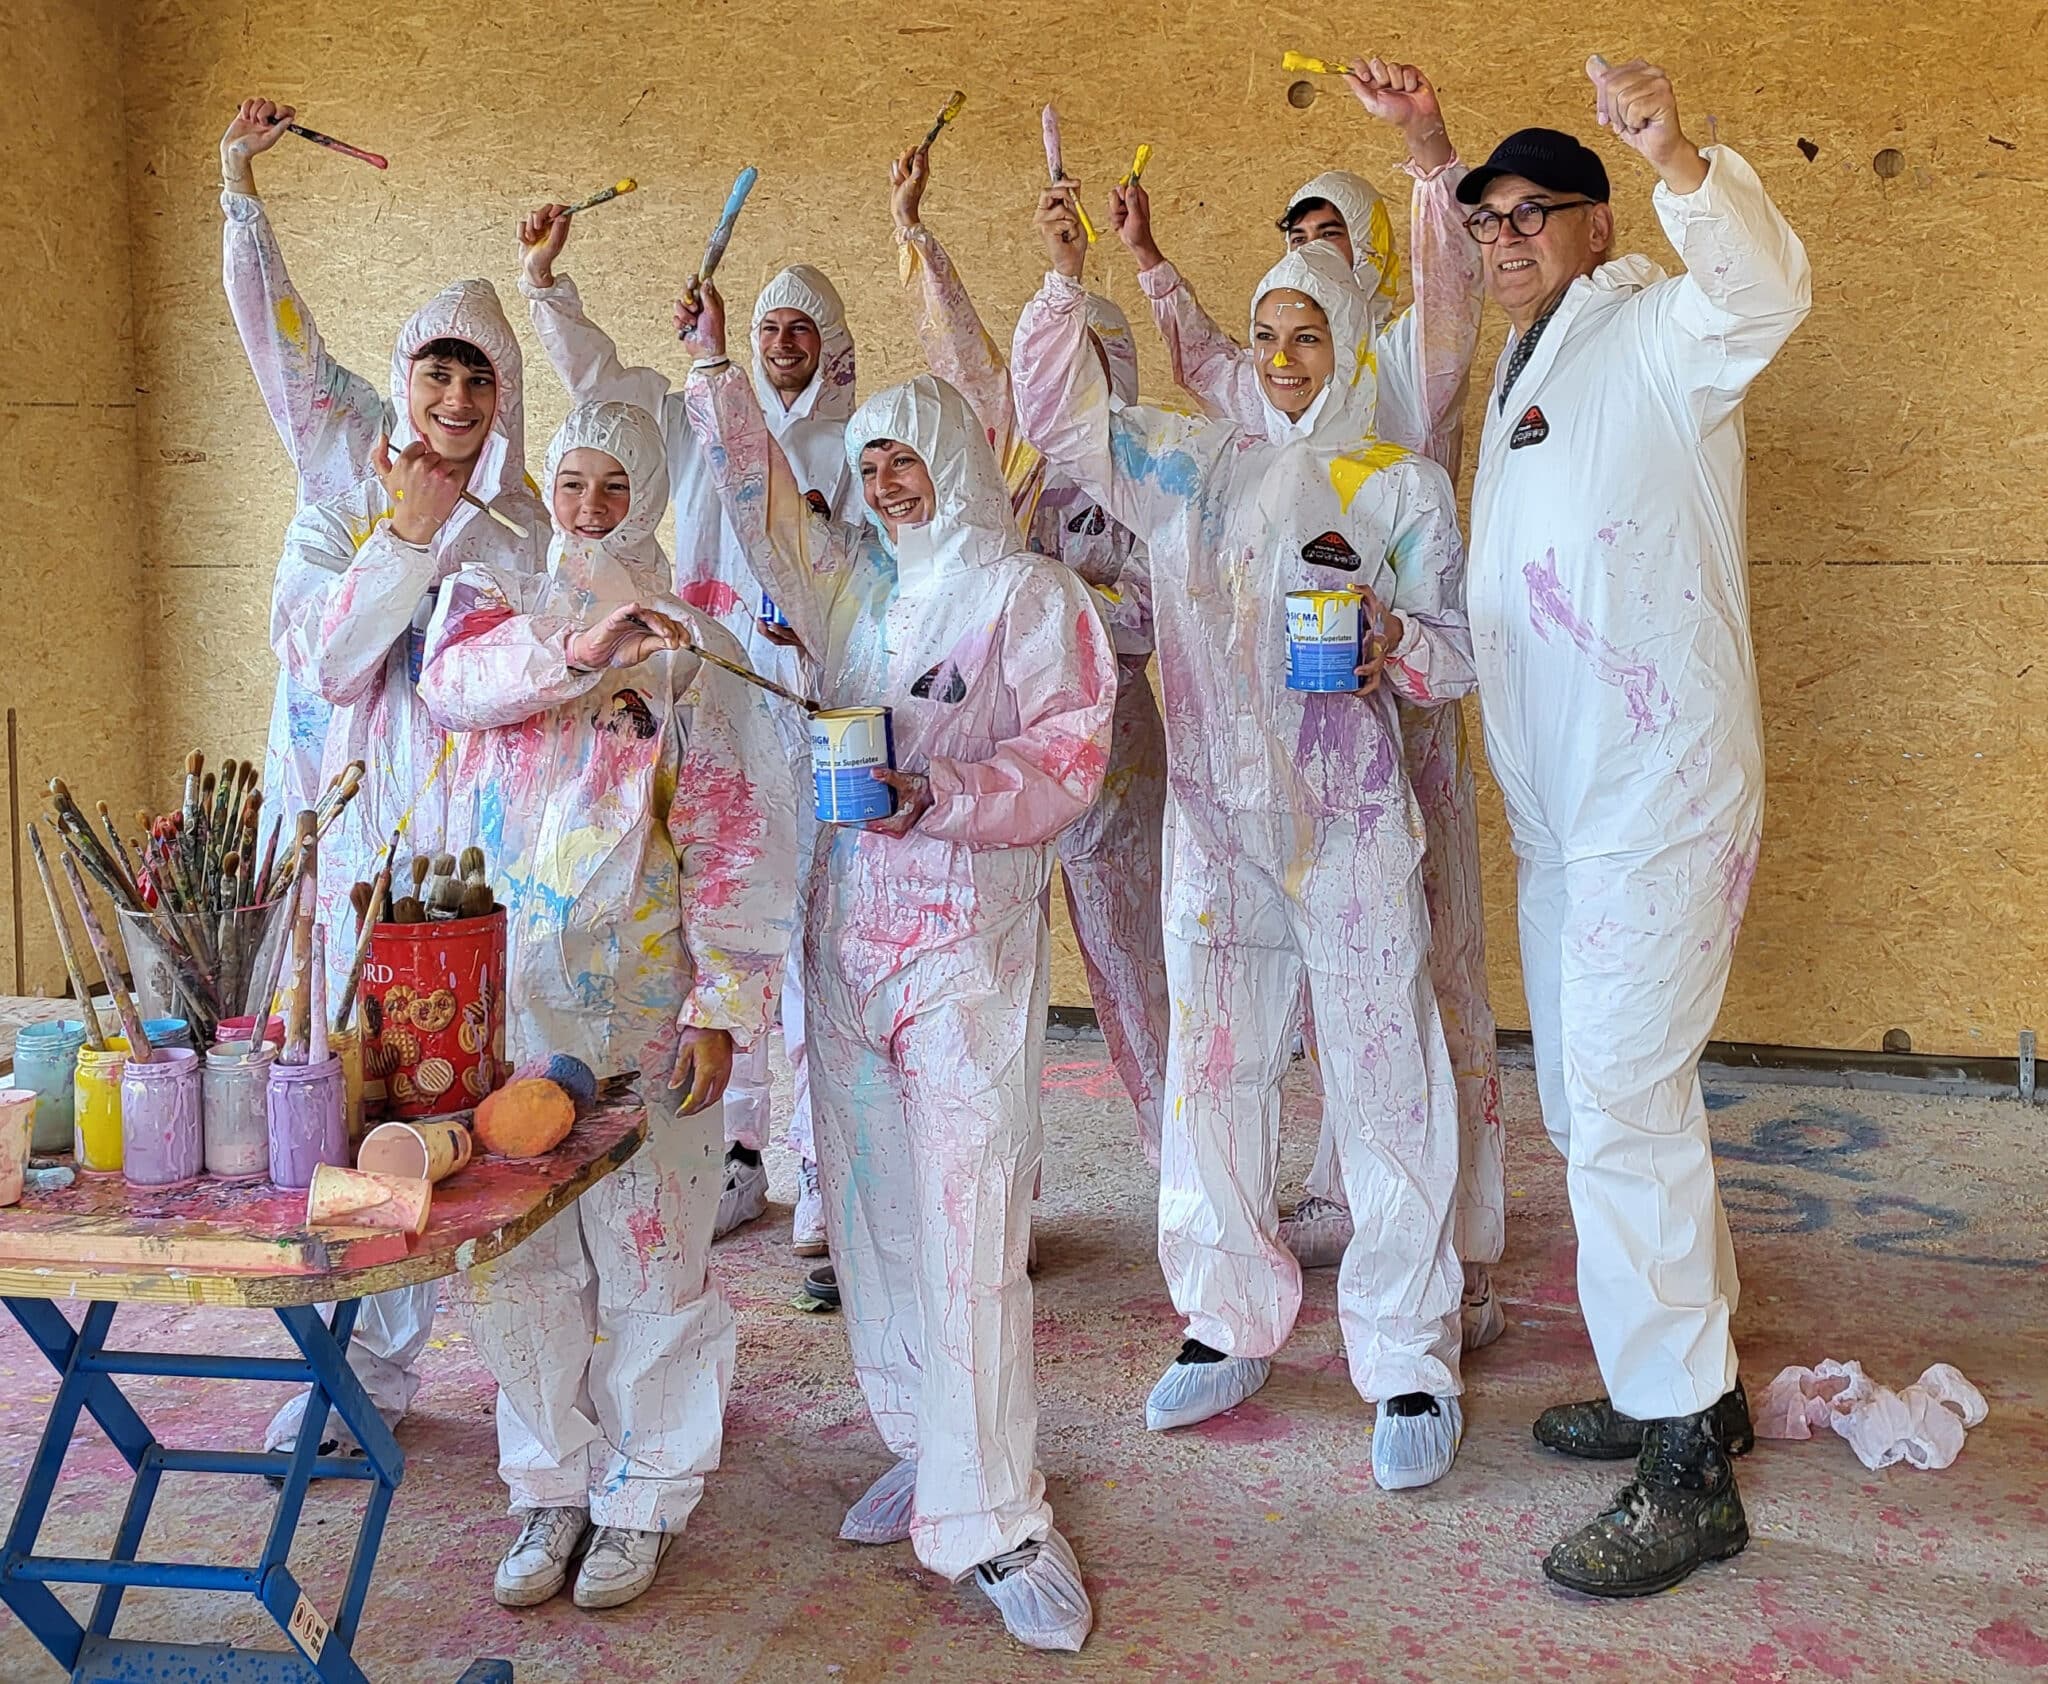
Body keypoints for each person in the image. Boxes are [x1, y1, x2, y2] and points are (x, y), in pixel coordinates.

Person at [1012, 177, 1472, 1490]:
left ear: (1347, 344)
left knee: (1384, 1076)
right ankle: (1224, 1318)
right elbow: (1062, 423)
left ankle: (1407, 1353)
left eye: (1307, 336)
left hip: (1350, 830)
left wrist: (1396, 643)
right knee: (1215, 1076)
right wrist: (1063, 280)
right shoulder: (1191, 468)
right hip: (1217, 833)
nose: (1280, 358)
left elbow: (1458, 651)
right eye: (1265, 335)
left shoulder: (1395, 485)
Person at [682, 281, 1115, 1651]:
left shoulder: (1026, 595)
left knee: (971, 1223)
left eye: (904, 458)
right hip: (844, 950)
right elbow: (766, 512)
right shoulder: (858, 591)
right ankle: (927, 1443)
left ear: (957, 457)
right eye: (869, 466)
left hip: (962, 956)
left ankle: (1000, 1516)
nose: (885, 484)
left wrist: (946, 793)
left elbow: (1071, 755)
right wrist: (713, 368)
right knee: (873, 1224)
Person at [1455, 58, 1810, 1593]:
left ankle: (1687, 1476)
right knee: (1602, 1106)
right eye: (1486, 220)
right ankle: (1696, 1385)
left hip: (1655, 798)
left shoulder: (1661, 327)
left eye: (1533, 212)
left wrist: (1677, 157)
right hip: (1567, 812)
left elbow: (1763, 294)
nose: (1506, 237)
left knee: (1619, 1103)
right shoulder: (1526, 367)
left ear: (1597, 224)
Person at [1113, 61, 1507, 1346]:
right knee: (1243, 1028)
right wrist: (1141, 266)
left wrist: (1428, 154)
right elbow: (1207, 367)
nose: (1309, 251)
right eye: (1291, 235)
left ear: (1368, 261)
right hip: (1252, 756)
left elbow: (1451, 293)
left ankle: (1440, 1270)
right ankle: (1261, 1277)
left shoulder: (1398, 375)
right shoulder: (1248, 425)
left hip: (1385, 731)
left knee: (1414, 991)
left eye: (1331, 233)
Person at [421, 398, 797, 1611]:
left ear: (650, 502)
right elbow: (449, 689)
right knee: (517, 1262)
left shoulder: (689, 653)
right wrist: (578, 649)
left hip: (643, 1015)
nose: (588, 510)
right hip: (505, 1016)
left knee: (652, 1257)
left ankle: (645, 1496)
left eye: (615, 489)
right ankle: (549, 1486)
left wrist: (722, 1000)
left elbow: (731, 835)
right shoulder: (496, 613)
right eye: (573, 484)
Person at [223, 97, 539, 1461]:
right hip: (344, 858)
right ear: (407, 378)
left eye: (479, 382)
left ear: (503, 395)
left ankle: (537, 1407)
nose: (455, 402)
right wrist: (240, 192)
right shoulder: (344, 487)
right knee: (349, 1110)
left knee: (459, 1115)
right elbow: (333, 661)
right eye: (438, 375)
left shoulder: (517, 522)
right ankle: (358, 1384)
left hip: (466, 867)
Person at [517, 207, 852, 1260]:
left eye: (801, 328)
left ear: (833, 342)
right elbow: (599, 392)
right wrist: (547, 289)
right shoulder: (688, 414)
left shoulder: (849, 444)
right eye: (769, 327)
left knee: (801, 936)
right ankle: (739, 1151)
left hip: (803, 703)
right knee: (714, 919)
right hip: (695, 694)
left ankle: (819, 1171)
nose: (782, 343)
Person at [889, 141, 1170, 1162]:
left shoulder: (1152, 474)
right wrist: (914, 233)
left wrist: (1059, 605)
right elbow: (958, 353)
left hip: (1111, 744)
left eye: (1093, 356)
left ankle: (1175, 1155)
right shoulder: (1007, 464)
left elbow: (1159, 612)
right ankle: (996, 1175)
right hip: (991, 749)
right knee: (989, 962)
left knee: (1129, 954)